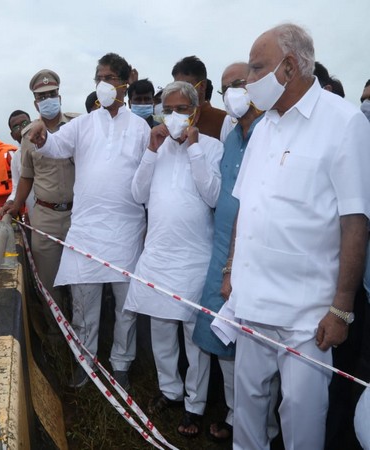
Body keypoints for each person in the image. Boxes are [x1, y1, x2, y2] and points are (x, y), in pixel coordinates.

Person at [225, 23, 370, 449]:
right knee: (247, 407)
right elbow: (244, 205)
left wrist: (342, 308)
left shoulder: (344, 123)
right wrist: (233, 268)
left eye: (256, 68)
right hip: (252, 303)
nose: (249, 81)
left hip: (309, 316)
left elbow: (355, 221)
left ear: (288, 67)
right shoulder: (264, 127)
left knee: (301, 419)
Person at [28, 53, 150, 389]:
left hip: (126, 232)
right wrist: (41, 133)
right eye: (99, 76)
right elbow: (55, 146)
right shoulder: (82, 123)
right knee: (84, 306)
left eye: (110, 77)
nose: (103, 83)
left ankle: (122, 364)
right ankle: (85, 361)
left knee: (126, 307)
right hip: (86, 230)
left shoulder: (140, 128)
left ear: (124, 84)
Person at [124, 81, 223, 437]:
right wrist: (152, 150)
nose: (175, 116)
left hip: (195, 256)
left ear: (195, 111)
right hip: (159, 254)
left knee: (193, 336)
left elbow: (213, 196)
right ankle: (171, 391)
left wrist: (194, 149)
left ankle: (195, 406)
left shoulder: (212, 147)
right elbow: (137, 193)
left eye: (182, 109)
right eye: (169, 109)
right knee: (161, 331)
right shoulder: (156, 146)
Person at [191, 62, 280, 443]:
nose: (233, 93)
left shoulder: (272, 132)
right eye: (226, 86)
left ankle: (266, 428)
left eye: (239, 84)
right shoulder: (231, 137)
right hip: (222, 252)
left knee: (260, 354)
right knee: (223, 339)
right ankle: (236, 416)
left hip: (255, 258)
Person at [0, 69, 78, 344]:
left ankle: (86, 338)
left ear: (59, 96)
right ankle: (58, 339)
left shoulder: (78, 125)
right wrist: (15, 204)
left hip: (80, 216)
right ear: (35, 103)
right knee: (48, 283)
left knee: (83, 284)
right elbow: (27, 177)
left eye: (51, 94)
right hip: (45, 217)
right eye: (41, 96)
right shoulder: (28, 136)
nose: (47, 99)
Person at [172, 56, 234, 142]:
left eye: (185, 86)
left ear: (202, 86)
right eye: (176, 86)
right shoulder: (171, 120)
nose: (180, 91)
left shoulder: (223, 120)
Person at [3, 110, 33, 221]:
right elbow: (16, 188)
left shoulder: (48, 146)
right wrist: (10, 202)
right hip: (34, 217)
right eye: (16, 127)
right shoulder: (16, 157)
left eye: (25, 124)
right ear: (12, 135)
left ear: (32, 124)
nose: (22, 129)